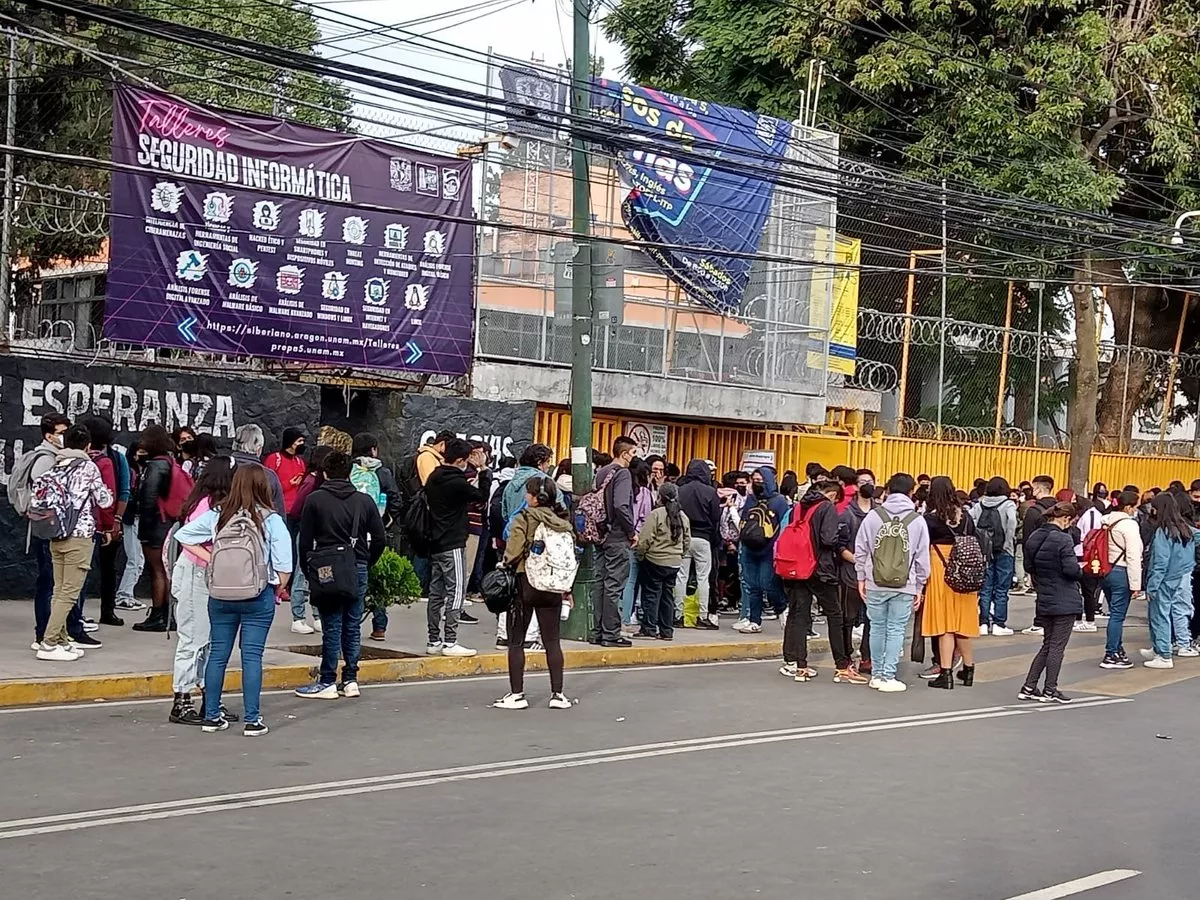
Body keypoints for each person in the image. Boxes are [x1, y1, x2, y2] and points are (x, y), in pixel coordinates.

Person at [175, 464, 293, 736]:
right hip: (257, 595)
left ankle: (211, 716)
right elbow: (284, 566)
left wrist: (212, 560)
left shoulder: (219, 514)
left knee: (218, 654)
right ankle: (252, 720)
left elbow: (184, 536)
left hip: (220, 594)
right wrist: (277, 588)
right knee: (251, 656)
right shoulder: (272, 520)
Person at [295, 450, 387, 699]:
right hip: (357, 565)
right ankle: (351, 679)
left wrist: (308, 570)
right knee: (352, 625)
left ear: (325, 473)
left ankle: (327, 679)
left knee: (332, 625)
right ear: (349, 473)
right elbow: (380, 538)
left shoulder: (315, 500)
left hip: (326, 567)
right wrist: (366, 561)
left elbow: (305, 542)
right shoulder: (364, 501)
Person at [32, 424, 114, 661]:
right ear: (87, 445)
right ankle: (49, 643)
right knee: (70, 592)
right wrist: (107, 493)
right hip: (79, 535)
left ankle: (61, 640)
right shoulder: (87, 467)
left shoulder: (55, 465)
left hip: (56, 533)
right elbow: (104, 500)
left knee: (59, 590)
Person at [493, 474, 574, 710]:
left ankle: (517, 694)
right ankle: (558, 694)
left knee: (516, 641)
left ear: (533, 497)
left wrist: (504, 563)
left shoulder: (524, 517)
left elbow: (513, 551)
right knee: (552, 641)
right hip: (552, 586)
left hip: (525, 583)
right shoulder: (561, 521)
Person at [168, 456, 234, 725]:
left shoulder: (207, 502)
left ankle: (210, 699)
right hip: (197, 574)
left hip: (203, 574)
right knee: (193, 639)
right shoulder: (208, 506)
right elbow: (188, 539)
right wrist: (214, 559)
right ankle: (182, 700)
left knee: (208, 641)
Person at [781, 478, 865, 683]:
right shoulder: (826, 507)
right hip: (820, 568)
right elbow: (828, 539)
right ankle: (842, 666)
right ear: (833, 494)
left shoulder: (799, 506)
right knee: (835, 615)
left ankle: (800, 666)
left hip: (797, 566)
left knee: (799, 615)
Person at [854, 472, 930, 692]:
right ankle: (889, 675)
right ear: (911, 492)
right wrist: (919, 586)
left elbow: (861, 550)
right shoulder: (917, 520)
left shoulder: (873, 516)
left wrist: (861, 577)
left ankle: (877, 674)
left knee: (877, 628)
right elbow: (922, 558)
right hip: (905, 584)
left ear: (887, 491)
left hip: (875, 581)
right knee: (896, 629)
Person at [424, 438, 490, 657]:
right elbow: (482, 496)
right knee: (457, 591)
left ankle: (433, 639)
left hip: (436, 541)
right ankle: (450, 641)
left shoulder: (434, 477)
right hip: (453, 542)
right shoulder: (457, 482)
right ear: (461, 460)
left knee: (436, 593)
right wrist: (483, 470)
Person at [14, 413, 71, 650]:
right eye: (61, 433)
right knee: (48, 582)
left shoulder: (55, 456)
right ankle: (44, 635)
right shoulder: (46, 460)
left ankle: (51, 633)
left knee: (52, 583)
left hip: (48, 528)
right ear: (49, 436)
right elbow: (44, 497)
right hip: (47, 529)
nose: (65, 437)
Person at [1019, 502, 1083, 702]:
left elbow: (1029, 566)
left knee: (1047, 645)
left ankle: (1029, 686)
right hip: (1065, 597)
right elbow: (1071, 570)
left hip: (1044, 595)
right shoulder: (1063, 539)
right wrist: (1082, 569)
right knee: (1057, 647)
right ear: (1065, 519)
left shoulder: (1034, 536)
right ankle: (1050, 689)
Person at [922, 476, 978, 689]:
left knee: (945, 624)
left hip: (940, 568)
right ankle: (969, 669)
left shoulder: (929, 519)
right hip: (965, 569)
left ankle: (945, 673)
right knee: (962, 624)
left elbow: (922, 545)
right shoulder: (966, 516)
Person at [497, 443, 555, 649]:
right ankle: (529, 637)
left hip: (513, 539)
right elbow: (555, 512)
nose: (549, 466)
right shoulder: (543, 482)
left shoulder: (511, 483)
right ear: (540, 462)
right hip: (536, 543)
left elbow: (504, 513)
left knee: (510, 589)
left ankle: (504, 634)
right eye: (548, 461)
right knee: (535, 589)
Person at [79, 415, 128, 628]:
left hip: (100, 523)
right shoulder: (87, 458)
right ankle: (77, 615)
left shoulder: (115, 459)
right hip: (93, 525)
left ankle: (107, 611)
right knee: (82, 571)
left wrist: (115, 521)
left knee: (107, 569)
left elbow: (123, 491)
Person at [353, 433, 402, 640]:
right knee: (377, 580)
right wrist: (385, 523)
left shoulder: (349, 469)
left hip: (352, 535)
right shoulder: (383, 472)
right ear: (373, 449)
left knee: (354, 580)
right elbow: (396, 500)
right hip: (376, 534)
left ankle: (351, 625)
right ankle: (379, 627)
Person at [590, 436, 637, 648]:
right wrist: (631, 531)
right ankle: (611, 633)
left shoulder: (602, 472)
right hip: (617, 535)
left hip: (601, 534)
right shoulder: (623, 473)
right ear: (624, 454)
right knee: (614, 585)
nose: (634, 457)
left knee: (600, 582)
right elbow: (620, 505)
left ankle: (597, 631)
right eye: (633, 453)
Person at [131, 425, 178, 633]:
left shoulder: (156, 466)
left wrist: (145, 527)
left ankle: (158, 615)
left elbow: (148, 498)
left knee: (157, 570)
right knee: (165, 570)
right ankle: (167, 615)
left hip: (155, 524)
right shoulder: (169, 462)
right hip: (166, 522)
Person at [1140, 492, 1195, 669]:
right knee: (1165, 614)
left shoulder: (1163, 532)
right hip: (1179, 575)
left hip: (1164, 579)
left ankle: (1163, 654)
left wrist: (1152, 586)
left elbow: (1160, 562)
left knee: (1159, 616)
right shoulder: (1184, 528)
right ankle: (1159, 648)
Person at [734, 466, 790, 633]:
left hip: (769, 549)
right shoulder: (751, 499)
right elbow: (744, 520)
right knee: (752, 585)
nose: (757, 483)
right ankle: (754, 620)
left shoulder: (779, 501)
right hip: (749, 547)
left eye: (760, 480)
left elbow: (785, 524)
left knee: (768, 583)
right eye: (754, 480)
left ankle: (782, 608)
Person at [633, 482, 691, 641]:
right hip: (674, 562)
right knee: (667, 596)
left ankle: (649, 628)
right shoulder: (683, 516)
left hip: (655, 560)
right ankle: (667, 630)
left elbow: (645, 539)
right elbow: (687, 541)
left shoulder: (656, 514)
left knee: (651, 595)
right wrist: (679, 554)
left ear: (660, 497)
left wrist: (641, 554)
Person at [287, 445, 333, 634]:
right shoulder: (311, 481)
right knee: (302, 574)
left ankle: (317, 615)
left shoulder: (320, 481)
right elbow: (296, 508)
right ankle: (298, 617)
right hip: (310, 533)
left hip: (322, 534)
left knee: (322, 575)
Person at [1099, 490, 1144, 670]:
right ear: (1128, 507)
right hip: (1122, 571)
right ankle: (1111, 653)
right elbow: (1133, 555)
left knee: (1114, 612)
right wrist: (1136, 584)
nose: (1135, 510)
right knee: (1117, 616)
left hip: (1106, 570)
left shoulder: (1106, 520)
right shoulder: (1129, 525)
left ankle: (1117, 648)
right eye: (1134, 507)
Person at [675, 458, 721, 630]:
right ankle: (702, 616)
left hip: (683, 537)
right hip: (703, 538)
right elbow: (716, 517)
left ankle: (678, 615)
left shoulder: (680, 490)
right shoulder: (710, 492)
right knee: (703, 578)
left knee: (681, 576)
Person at [840, 469, 876, 672]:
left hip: (875, 574)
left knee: (873, 618)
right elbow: (840, 546)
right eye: (863, 482)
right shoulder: (847, 514)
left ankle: (867, 656)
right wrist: (857, 560)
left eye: (870, 481)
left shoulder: (880, 513)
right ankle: (846, 656)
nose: (867, 485)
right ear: (855, 486)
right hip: (851, 572)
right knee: (848, 617)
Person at [972, 475, 1018, 636]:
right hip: (1004, 551)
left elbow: (971, 521)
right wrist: (1008, 541)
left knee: (985, 587)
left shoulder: (979, 504)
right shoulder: (1008, 504)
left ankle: (983, 623)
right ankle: (999, 623)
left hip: (984, 551)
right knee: (1002, 588)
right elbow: (1012, 522)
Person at [115, 440, 147, 615]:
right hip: (132, 518)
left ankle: (127, 593)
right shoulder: (132, 472)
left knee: (138, 559)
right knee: (135, 559)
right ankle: (123, 596)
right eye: (141, 452)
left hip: (137, 518)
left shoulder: (141, 471)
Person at [622, 457, 653, 628]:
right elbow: (646, 518)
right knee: (631, 581)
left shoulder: (622, 488)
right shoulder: (645, 493)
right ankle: (626, 618)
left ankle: (616, 616)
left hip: (619, 537)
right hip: (635, 539)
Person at [231, 424, 285, 516]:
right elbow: (279, 512)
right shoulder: (269, 476)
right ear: (259, 449)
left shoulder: (222, 469)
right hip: (260, 522)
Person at [1073, 494, 1104, 632]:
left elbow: (1090, 537)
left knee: (1086, 590)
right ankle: (1085, 619)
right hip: (1086, 555)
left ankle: (1088, 620)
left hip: (1085, 555)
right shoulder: (1092, 514)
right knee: (1087, 590)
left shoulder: (1091, 515)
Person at [264, 427, 308, 521]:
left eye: (303, 441)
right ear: (291, 442)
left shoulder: (300, 462)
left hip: (296, 511)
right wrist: (288, 484)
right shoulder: (274, 459)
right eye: (299, 441)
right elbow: (266, 486)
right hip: (278, 510)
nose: (302, 444)